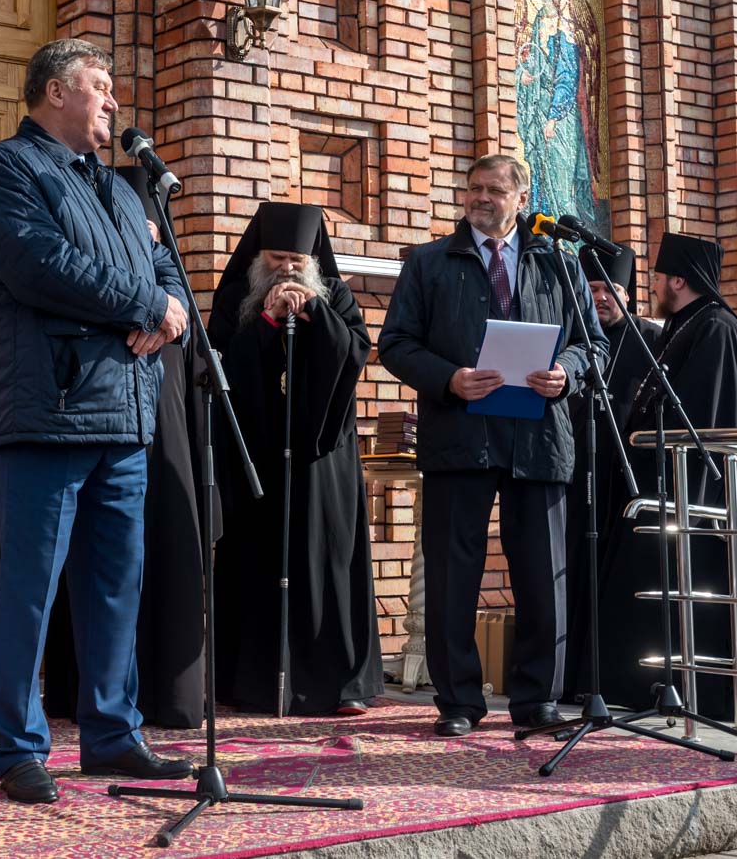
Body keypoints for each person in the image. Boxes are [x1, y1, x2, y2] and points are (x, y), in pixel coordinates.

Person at [0, 39, 191, 805]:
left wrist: (172, 317)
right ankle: (19, 746)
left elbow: (164, 273)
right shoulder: (4, 170)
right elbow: (39, 264)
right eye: (101, 87)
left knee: (114, 585)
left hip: (124, 416)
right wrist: (141, 306)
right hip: (49, 415)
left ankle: (112, 734)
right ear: (56, 92)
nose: (114, 103)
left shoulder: (125, 191)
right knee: (31, 587)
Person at [378, 154, 605, 738]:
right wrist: (449, 378)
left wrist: (567, 372)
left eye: (494, 190)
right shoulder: (429, 262)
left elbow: (593, 346)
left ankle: (537, 700)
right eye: (473, 188)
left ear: (520, 199)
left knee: (541, 573)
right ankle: (457, 700)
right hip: (460, 434)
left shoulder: (560, 263)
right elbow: (396, 344)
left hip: (539, 437)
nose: (480, 198)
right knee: (455, 572)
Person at [44, 164, 214, 729]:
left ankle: (147, 704)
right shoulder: (89, 261)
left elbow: (180, 316)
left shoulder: (165, 269)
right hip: (93, 421)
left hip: (164, 444)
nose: (141, 232)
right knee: (90, 575)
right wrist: (145, 310)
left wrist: (171, 321)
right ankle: (84, 700)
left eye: (149, 225)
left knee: (141, 571)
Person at [208, 201, 383, 717]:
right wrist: (266, 321)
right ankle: (254, 683)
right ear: (260, 256)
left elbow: (355, 354)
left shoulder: (335, 294)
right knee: (255, 561)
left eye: (295, 259)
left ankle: (338, 684)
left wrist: (316, 314)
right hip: (257, 458)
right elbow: (219, 364)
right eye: (278, 257)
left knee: (326, 561)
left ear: (311, 259)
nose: (287, 269)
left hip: (322, 461)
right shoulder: (237, 296)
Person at [594, 231, 737, 721]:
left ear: (678, 279)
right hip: (663, 485)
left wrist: (683, 490)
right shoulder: (683, 324)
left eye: (656, 276)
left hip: (694, 491)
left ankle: (691, 693)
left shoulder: (715, 326)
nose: (651, 284)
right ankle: (641, 686)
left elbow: (704, 414)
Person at [561, 243, 659, 702]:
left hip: (626, 480)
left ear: (628, 293)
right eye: (592, 288)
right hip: (572, 473)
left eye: (611, 289)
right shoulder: (569, 336)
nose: (601, 298)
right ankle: (569, 679)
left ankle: (609, 678)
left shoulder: (650, 339)